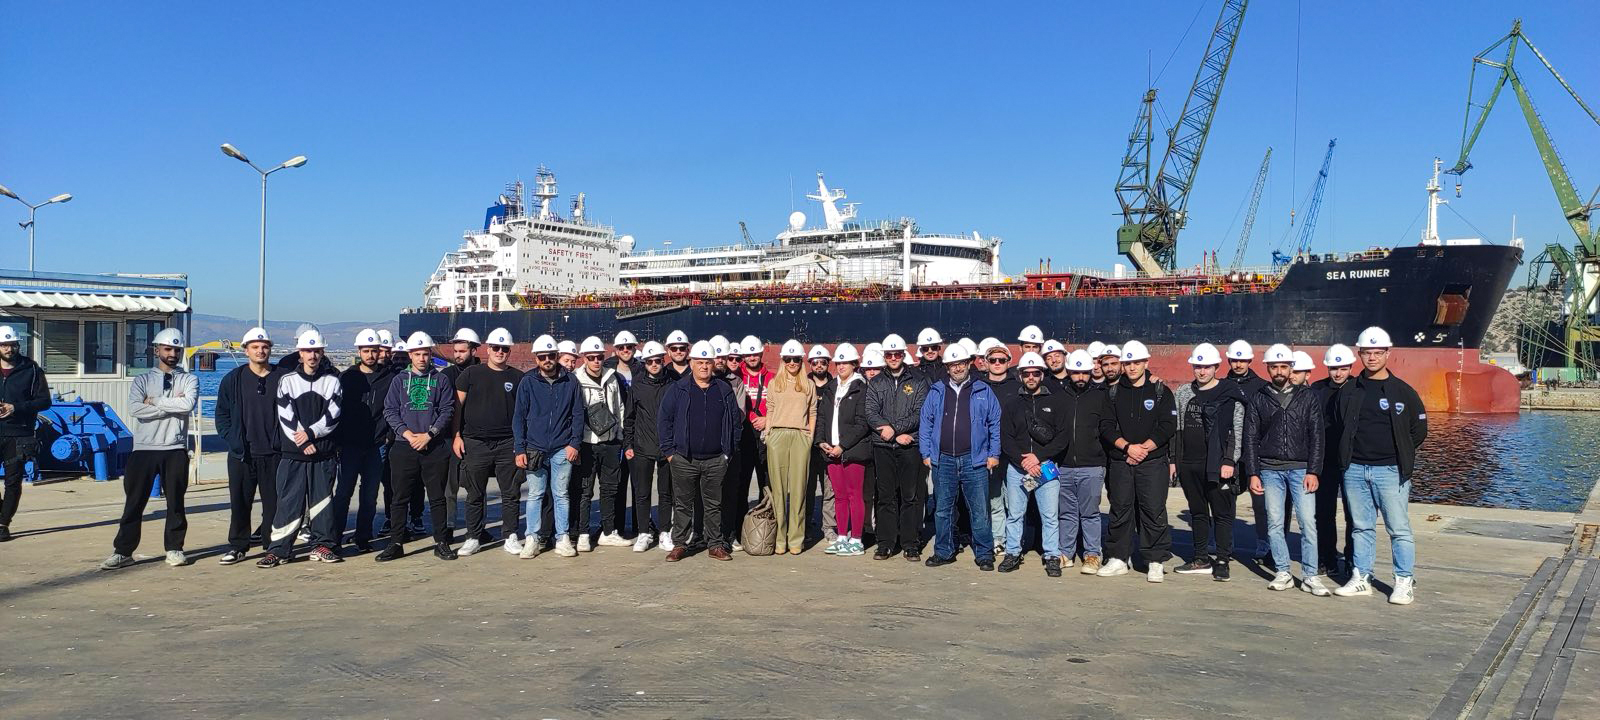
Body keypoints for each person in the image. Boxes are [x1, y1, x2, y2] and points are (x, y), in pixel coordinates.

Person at [1331, 327, 1427, 605]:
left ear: (1388, 353)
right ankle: (1362, 577)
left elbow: (1418, 430)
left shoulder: (1403, 392)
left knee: (1398, 529)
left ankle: (1404, 581)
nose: (1372, 357)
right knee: (1361, 528)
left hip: (1390, 471)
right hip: (1355, 469)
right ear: (1359, 354)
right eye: (1367, 352)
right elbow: (1338, 424)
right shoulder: (1348, 391)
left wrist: (1399, 454)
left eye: (1377, 352)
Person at [103, 328, 197, 570]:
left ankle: (174, 549)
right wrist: (172, 405)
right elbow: (135, 409)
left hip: (175, 448)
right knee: (134, 503)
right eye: (168, 349)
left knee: (176, 503)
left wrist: (154, 401)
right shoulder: (142, 380)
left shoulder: (189, 380)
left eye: (177, 350)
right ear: (157, 350)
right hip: (143, 449)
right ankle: (123, 551)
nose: (173, 354)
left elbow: (187, 405)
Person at [254, 329, 344, 567]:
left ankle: (323, 545)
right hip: (293, 454)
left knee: (323, 503)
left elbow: (333, 416)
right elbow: (285, 415)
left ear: (322, 353)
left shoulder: (333, 381)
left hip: (323, 454)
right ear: (300, 353)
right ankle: (279, 550)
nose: (312, 356)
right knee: (288, 503)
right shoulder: (287, 381)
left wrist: (311, 435)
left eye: (316, 351)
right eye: (307, 351)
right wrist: (302, 441)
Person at [1244, 343, 1329, 595]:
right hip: (1270, 470)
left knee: (1307, 523)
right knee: (1274, 523)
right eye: (1274, 367)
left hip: (1301, 469)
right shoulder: (1259, 397)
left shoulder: (1308, 397)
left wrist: (1314, 471)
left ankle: (1310, 575)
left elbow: (1317, 435)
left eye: (1284, 366)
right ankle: (1283, 571)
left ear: (1291, 368)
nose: (1279, 371)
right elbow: (1250, 437)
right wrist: (1253, 473)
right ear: (1268, 369)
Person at [919, 342, 1002, 571]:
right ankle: (943, 551)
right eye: (953, 364)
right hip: (943, 459)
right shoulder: (937, 391)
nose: (957, 368)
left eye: (961, 363)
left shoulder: (983, 390)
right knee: (943, 509)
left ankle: (984, 554)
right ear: (947, 367)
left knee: (979, 510)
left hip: (974, 460)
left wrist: (994, 453)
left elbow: (994, 423)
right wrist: (926, 452)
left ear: (968, 364)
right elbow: (926, 422)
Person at [1097, 340, 1176, 583]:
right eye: (1128, 363)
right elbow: (1106, 426)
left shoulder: (1161, 391)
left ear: (1146, 363)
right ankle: (1118, 558)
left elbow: (1168, 426)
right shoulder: (1113, 392)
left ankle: (1155, 560)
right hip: (1122, 460)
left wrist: (1144, 449)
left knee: (1153, 510)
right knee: (1120, 509)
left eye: (1137, 362)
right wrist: (1128, 448)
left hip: (1152, 462)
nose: (1132, 367)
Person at [376, 331, 457, 563]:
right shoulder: (399, 380)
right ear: (410, 355)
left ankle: (441, 542)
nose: (422, 358)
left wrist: (430, 434)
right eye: (417, 354)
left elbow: (447, 410)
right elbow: (390, 410)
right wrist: (407, 434)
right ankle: (396, 542)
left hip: (433, 446)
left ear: (430, 355)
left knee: (437, 497)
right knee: (399, 497)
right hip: (404, 446)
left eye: (425, 354)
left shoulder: (440, 380)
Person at [658, 340, 741, 562]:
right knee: (683, 504)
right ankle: (679, 544)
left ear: (713, 364)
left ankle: (715, 544)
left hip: (715, 459)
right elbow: (664, 420)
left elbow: (735, 423)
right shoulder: (678, 389)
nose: (704, 366)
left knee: (714, 505)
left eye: (707, 362)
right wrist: (670, 453)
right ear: (692, 363)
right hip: (684, 458)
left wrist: (727, 454)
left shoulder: (723, 390)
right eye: (699, 362)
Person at [1170, 343, 1246, 582]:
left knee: (1222, 514)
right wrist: (1174, 460)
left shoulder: (1230, 394)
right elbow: (1177, 429)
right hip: (1189, 463)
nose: (1201, 371)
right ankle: (1201, 558)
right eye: (1197, 367)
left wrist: (1229, 460)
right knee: (1198, 512)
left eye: (1206, 367)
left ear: (1216, 367)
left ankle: (1222, 560)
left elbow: (1236, 431)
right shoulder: (1183, 392)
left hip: (1218, 464)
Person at [453, 328, 526, 556]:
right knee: (474, 493)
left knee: (511, 493)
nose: (500, 352)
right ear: (487, 349)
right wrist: (456, 436)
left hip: (507, 443)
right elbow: (457, 408)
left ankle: (510, 536)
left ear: (509, 351)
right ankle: (473, 537)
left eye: (504, 348)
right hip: (475, 442)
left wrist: (521, 444)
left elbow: (523, 413)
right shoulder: (471, 374)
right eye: (496, 347)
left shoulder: (518, 377)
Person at [997, 352, 1070, 576]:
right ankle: (1012, 552)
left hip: (1045, 467)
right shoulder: (1012, 405)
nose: (1031, 377)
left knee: (1049, 515)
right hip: (1018, 469)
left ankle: (1051, 556)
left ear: (1042, 375)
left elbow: (1063, 437)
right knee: (1015, 514)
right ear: (1020, 375)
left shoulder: (1056, 402)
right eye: (1026, 373)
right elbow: (1006, 438)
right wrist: (1023, 461)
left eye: (1035, 373)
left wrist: (1038, 457)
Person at [512, 334, 584, 559]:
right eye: (542, 356)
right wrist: (519, 448)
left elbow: (578, 414)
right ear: (536, 358)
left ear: (556, 356)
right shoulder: (528, 382)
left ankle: (562, 538)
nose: (547, 360)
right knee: (535, 494)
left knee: (561, 494)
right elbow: (519, 417)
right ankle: (532, 538)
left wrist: (574, 443)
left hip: (562, 447)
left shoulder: (570, 381)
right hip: (534, 447)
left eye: (551, 355)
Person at [864, 333, 929, 561]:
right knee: (885, 497)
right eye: (889, 354)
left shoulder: (919, 381)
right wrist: (891, 434)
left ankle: (910, 543)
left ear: (903, 355)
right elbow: (870, 412)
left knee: (910, 496)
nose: (893, 358)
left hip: (909, 445)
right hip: (883, 446)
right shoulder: (876, 382)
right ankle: (885, 543)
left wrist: (896, 430)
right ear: (885, 356)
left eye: (897, 354)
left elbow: (920, 412)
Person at [329, 329, 394, 556]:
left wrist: (388, 436)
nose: (370, 355)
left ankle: (363, 537)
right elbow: (337, 411)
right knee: (343, 493)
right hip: (350, 445)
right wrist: (337, 442)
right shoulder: (347, 378)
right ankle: (334, 538)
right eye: (366, 351)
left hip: (377, 445)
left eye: (374, 350)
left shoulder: (389, 378)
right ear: (359, 352)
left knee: (369, 495)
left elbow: (393, 409)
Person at [1055, 350, 1114, 575]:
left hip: (1092, 466)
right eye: (1076, 372)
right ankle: (1066, 553)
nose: (1080, 377)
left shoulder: (1101, 397)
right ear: (1069, 372)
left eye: (1085, 373)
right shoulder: (1059, 397)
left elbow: (1107, 428)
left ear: (1091, 372)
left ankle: (1092, 554)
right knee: (1066, 513)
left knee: (1090, 513)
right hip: (1064, 466)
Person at [573, 335, 628, 551]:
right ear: (584, 358)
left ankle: (608, 532)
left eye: (599, 357)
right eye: (591, 357)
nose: (596, 361)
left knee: (609, 489)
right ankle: (583, 534)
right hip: (587, 443)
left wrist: (620, 436)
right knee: (584, 491)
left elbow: (619, 408)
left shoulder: (612, 378)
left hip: (610, 443)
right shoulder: (576, 380)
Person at [817, 344, 871, 557]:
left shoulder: (861, 388)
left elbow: (862, 423)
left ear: (854, 364)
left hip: (852, 451)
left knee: (854, 495)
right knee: (839, 496)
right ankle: (841, 537)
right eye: (838, 363)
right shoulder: (831, 388)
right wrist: (821, 441)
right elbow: (822, 417)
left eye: (845, 363)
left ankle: (856, 539)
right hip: (831, 450)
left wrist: (843, 446)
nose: (841, 366)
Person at [764, 339, 817, 555]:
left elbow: (812, 412)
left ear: (802, 361)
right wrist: (768, 433)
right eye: (788, 359)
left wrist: (809, 436)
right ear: (782, 360)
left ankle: (795, 539)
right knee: (778, 490)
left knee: (798, 490)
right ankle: (779, 539)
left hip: (800, 437)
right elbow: (770, 409)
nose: (792, 363)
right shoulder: (774, 384)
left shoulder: (808, 385)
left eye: (796, 359)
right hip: (777, 435)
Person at [0, 325, 50, 543]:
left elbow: (44, 401)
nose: (9, 349)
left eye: (12, 345)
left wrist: (15, 408)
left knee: (13, 482)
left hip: (19, 433)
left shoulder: (31, 369)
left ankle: (3, 524)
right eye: (4, 345)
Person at [1225, 338, 1273, 561]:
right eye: (1235, 360)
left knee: (1260, 502)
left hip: (1255, 453)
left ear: (1250, 361)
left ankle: (1263, 541)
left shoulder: (1262, 387)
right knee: (1227, 500)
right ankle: (1226, 542)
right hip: (1229, 453)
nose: (1238, 364)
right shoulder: (1221, 385)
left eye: (1242, 360)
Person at [623, 341, 673, 552]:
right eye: (650, 361)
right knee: (642, 492)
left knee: (666, 493)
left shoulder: (672, 384)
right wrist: (628, 444)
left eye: (657, 361)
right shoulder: (637, 386)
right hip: (642, 446)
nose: (654, 364)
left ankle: (664, 532)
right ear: (644, 363)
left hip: (667, 447)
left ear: (663, 360)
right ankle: (643, 533)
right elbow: (629, 418)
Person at [1312, 344, 1357, 574]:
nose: (1338, 373)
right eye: (1333, 368)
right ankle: (1327, 558)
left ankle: (1352, 559)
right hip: (1325, 460)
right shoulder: (1317, 390)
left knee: (1354, 514)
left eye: (1343, 368)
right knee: (1324, 512)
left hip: (1352, 460)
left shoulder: (1360, 389)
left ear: (1351, 367)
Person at [441, 327, 482, 540]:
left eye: (462, 351)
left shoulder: (484, 374)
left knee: (477, 486)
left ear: (473, 351)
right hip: (450, 437)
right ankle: (448, 526)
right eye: (455, 351)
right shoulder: (446, 376)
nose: (457, 355)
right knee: (450, 487)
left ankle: (478, 528)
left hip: (476, 438)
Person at [737, 336, 773, 517]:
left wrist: (768, 419)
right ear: (743, 356)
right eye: (748, 355)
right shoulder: (737, 377)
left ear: (761, 354)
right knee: (741, 481)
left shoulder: (772, 378)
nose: (752, 358)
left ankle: (764, 521)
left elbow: (779, 405)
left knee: (766, 481)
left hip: (766, 434)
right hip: (745, 433)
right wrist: (752, 417)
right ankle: (740, 524)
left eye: (755, 354)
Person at [805, 344, 837, 545]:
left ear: (828, 364)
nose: (819, 365)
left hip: (828, 446)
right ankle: (806, 527)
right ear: (810, 364)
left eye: (822, 362)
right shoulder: (803, 386)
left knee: (829, 491)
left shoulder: (835, 387)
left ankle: (829, 528)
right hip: (807, 447)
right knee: (806, 490)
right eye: (815, 362)